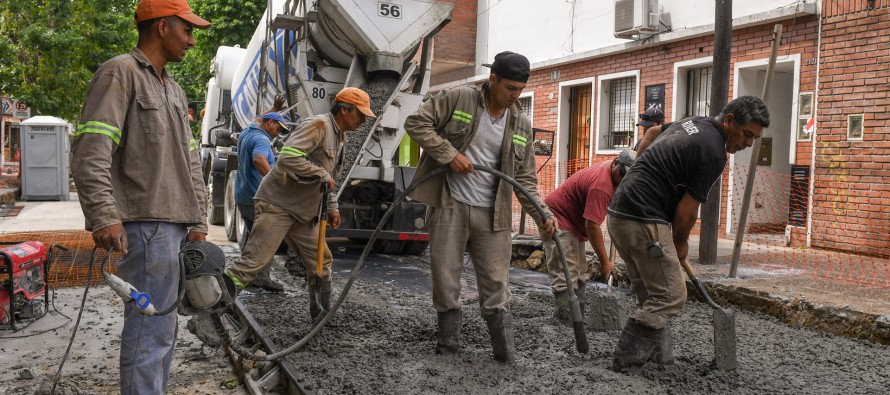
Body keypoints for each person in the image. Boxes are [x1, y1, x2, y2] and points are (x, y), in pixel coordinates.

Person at [70, 0, 210, 393]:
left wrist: (198, 222)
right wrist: (104, 215)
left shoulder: (176, 90)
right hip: (146, 226)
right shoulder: (120, 74)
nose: (192, 40)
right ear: (162, 26)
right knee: (151, 330)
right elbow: (91, 151)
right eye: (187, 30)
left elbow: (190, 163)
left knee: (163, 329)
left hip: (173, 227)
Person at [404, 51, 557, 364]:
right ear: (493, 79)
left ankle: (505, 353)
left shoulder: (520, 124)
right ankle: (448, 349)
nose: (515, 96)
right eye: (510, 88)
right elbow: (416, 122)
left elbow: (525, 179)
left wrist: (541, 212)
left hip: (494, 213)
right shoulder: (459, 99)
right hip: (451, 205)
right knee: (446, 278)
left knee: (496, 284)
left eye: (520, 90)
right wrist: (449, 154)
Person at [606, 95, 770, 372]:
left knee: (651, 294)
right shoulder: (714, 152)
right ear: (729, 120)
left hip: (619, 213)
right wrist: (680, 243)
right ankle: (626, 363)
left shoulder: (693, 122)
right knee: (671, 296)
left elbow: (654, 131)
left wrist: (640, 170)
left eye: (754, 138)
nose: (749, 144)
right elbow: (685, 213)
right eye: (747, 134)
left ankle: (656, 358)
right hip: (644, 218)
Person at [224, 87, 376, 321]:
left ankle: (320, 318)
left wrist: (332, 207)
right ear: (345, 110)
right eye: (361, 115)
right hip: (279, 204)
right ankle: (209, 308)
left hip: (303, 211)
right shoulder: (318, 126)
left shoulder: (341, 138)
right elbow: (288, 158)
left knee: (321, 261)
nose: (363, 121)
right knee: (254, 261)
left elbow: (329, 176)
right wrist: (322, 176)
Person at [542, 149, 636, 324]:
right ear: (615, 163)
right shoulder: (602, 185)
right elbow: (592, 226)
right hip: (557, 217)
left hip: (574, 220)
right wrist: (605, 262)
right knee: (566, 270)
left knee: (579, 270)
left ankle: (578, 317)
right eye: (622, 174)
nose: (624, 179)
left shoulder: (616, 178)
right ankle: (565, 320)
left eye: (628, 177)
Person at [233, 111, 290, 292]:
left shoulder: (247, 131)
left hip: (242, 194)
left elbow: (259, 117)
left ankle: (249, 275)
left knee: (254, 236)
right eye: (278, 128)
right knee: (266, 239)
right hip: (256, 196)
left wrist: (275, 107)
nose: (278, 133)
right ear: (270, 123)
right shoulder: (262, 140)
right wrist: (274, 182)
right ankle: (258, 278)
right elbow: (258, 158)